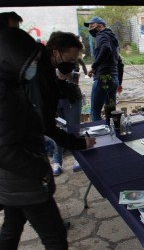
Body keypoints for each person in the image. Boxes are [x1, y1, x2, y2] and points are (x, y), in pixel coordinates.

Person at [0, 28, 68, 250]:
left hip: (11, 183)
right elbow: (5, 151)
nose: (34, 66)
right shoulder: (6, 96)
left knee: (12, 226)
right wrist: (40, 168)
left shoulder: (10, 84)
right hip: (25, 183)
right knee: (55, 239)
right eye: (30, 61)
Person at [26, 31, 96, 170]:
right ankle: (57, 162)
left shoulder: (43, 65)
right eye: (70, 60)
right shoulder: (39, 76)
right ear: (56, 53)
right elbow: (47, 127)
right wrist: (81, 144)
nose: (72, 64)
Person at [84, 16, 124, 121]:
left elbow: (106, 48)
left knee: (95, 111)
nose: (89, 28)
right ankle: (113, 134)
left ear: (100, 26)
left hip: (103, 79)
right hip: (114, 80)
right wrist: (119, 83)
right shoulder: (113, 40)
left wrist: (93, 67)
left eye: (92, 25)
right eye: (88, 26)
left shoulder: (101, 34)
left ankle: (99, 136)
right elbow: (120, 63)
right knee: (111, 111)